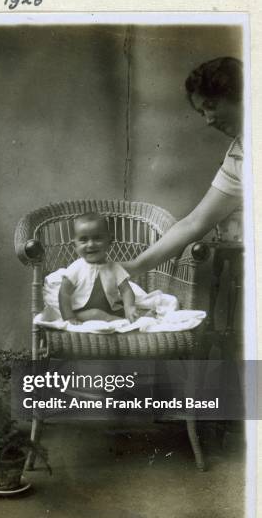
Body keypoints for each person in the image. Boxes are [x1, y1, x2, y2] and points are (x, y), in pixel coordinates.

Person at [123, 56, 243, 277]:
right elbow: (194, 223)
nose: (208, 120)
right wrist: (135, 266)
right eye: (202, 112)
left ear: (237, 93)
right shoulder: (239, 156)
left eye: (211, 105)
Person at [58, 212, 139, 324]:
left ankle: (132, 319)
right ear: (75, 245)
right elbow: (64, 293)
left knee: (134, 311)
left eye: (97, 238)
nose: (91, 244)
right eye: (83, 239)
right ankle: (121, 322)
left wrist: (129, 307)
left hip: (111, 309)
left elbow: (126, 291)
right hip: (83, 312)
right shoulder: (76, 268)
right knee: (96, 314)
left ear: (109, 241)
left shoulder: (114, 268)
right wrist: (69, 317)